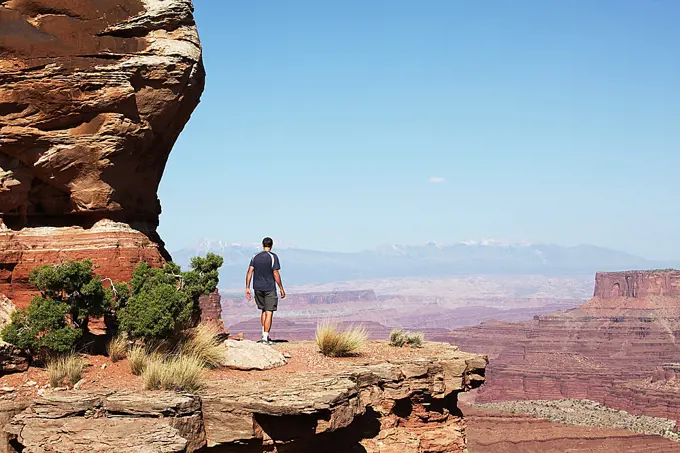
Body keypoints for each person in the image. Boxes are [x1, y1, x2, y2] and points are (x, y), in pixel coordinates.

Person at [245, 237, 286, 344]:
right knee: (269, 312)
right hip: (269, 288)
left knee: (263, 310)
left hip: (257, 287)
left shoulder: (255, 257)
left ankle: (264, 335)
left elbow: (249, 272)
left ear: (262, 245)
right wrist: (281, 288)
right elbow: (276, 273)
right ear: (271, 245)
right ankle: (265, 338)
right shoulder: (273, 257)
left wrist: (247, 287)